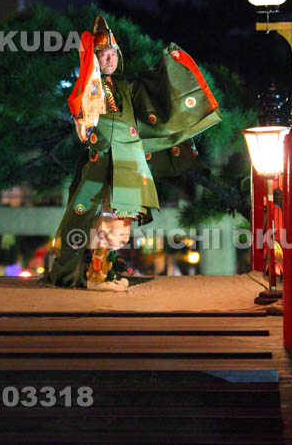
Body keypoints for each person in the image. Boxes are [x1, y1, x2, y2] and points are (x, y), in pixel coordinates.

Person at [46, 16, 222, 292]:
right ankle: (95, 276)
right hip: (103, 162)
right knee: (99, 219)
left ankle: (108, 270)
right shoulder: (87, 89)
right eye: (102, 54)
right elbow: (84, 123)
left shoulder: (126, 88)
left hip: (129, 162)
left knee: (121, 222)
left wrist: (171, 65)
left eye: (113, 52)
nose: (109, 58)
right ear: (93, 59)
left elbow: (156, 100)